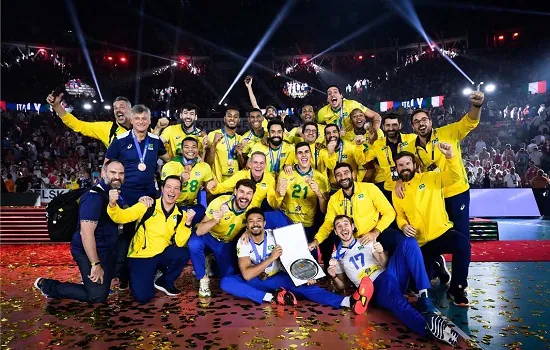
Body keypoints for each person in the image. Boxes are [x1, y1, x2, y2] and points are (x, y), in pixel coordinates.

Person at [328, 215, 458, 347]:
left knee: (409, 242)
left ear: (352, 227)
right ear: (335, 231)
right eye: (339, 226)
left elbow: (384, 264)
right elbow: (342, 286)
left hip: (389, 274)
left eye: (346, 224)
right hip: (373, 288)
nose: (343, 228)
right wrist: (333, 276)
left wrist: (379, 253)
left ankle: (424, 297)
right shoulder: (336, 256)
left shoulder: (366, 241)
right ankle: (426, 327)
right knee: (397, 301)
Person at [220, 209, 365, 313]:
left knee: (307, 288)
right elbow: (246, 275)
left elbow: (296, 255)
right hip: (256, 279)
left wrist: (306, 275)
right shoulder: (243, 241)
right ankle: (272, 297)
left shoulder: (276, 235)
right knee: (226, 282)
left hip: (278, 278)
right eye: (251, 222)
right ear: (247, 226)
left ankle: (347, 301)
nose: (255, 224)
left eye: (259, 220)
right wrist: (271, 258)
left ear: (265, 223)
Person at [34, 160, 125, 303]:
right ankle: (47, 285)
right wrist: (95, 264)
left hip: (107, 248)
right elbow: (86, 233)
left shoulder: (115, 194)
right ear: (103, 173)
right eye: (113, 172)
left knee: (103, 286)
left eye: (121, 173)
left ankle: (93, 281)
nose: (117, 176)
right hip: (88, 250)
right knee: (97, 296)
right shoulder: (93, 197)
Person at [392, 144, 471, 306]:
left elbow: (455, 176)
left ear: (414, 165)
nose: (404, 168)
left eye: (407, 164)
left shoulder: (430, 178)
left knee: (463, 244)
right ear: (397, 169)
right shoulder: (397, 191)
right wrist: (403, 226)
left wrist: (450, 157)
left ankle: (457, 288)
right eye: (400, 165)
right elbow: (400, 215)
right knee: (415, 286)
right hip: (421, 243)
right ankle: (437, 266)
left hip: (442, 232)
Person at [106, 175, 195, 303]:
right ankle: (139, 276)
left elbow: (180, 242)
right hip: (141, 256)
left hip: (162, 254)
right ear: (162, 189)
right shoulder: (147, 205)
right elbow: (121, 217)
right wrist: (112, 204)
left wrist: (188, 224)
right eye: (169, 187)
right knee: (143, 297)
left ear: (180, 192)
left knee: (182, 253)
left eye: (176, 188)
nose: (172, 191)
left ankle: (164, 281)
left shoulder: (181, 214)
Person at [309, 163, 404, 268]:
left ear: (353, 174)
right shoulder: (334, 199)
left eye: (346, 173)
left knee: (400, 241)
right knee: (339, 263)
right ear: (335, 178)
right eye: (339, 175)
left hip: (375, 233)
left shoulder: (369, 188)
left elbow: (389, 212)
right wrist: (316, 240)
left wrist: (375, 232)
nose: (343, 177)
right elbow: (328, 224)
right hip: (352, 241)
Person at [189, 179, 257, 297]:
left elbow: (257, 228)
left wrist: (248, 231)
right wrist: (215, 220)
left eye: (248, 193)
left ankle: (210, 261)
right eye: (241, 192)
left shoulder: (252, 210)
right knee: (194, 244)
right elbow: (199, 230)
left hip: (225, 244)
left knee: (227, 276)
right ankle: (203, 278)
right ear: (235, 192)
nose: (244, 196)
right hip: (209, 236)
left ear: (253, 195)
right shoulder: (220, 202)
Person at [105, 104, 170, 206]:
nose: (141, 121)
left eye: (144, 118)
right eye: (137, 118)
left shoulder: (156, 140)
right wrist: (108, 190)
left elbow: (169, 160)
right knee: (128, 221)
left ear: (149, 121)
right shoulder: (120, 140)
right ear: (131, 120)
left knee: (149, 222)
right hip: (125, 193)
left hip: (149, 193)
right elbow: (106, 166)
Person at [274, 142, 329, 249]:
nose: (303, 155)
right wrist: (280, 194)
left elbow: (324, 211)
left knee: (307, 259)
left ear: (311, 155)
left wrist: (318, 193)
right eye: (300, 153)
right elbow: (275, 205)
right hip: (286, 222)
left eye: (306, 152)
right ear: (295, 156)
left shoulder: (320, 178)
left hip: (306, 225)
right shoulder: (285, 174)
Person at [355, 112, 417, 203]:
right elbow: (362, 160)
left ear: (400, 126)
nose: (391, 128)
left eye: (394, 125)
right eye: (388, 125)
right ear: (383, 127)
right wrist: (358, 146)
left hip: (412, 185)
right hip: (390, 188)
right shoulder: (378, 144)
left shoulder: (412, 139)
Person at [161, 137, 214, 225]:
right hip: (173, 204)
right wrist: (181, 180)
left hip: (191, 206)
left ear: (197, 150)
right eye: (186, 147)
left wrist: (211, 185)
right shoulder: (170, 166)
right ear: (181, 150)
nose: (190, 149)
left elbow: (209, 189)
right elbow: (165, 191)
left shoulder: (204, 166)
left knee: (202, 212)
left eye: (194, 147)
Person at [47, 93, 132, 148]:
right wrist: (57, 107)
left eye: (122, 107)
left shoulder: (142, 126)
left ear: (131, 110)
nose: (118, 110)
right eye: (115, 108)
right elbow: (78, 125)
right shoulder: (107, 128)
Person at [207, 151, 278, 210]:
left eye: (261, 163)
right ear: (250, 164)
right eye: (255, 162)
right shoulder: (240, 175)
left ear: (265, 165)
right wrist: (214, 186)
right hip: (237, 211)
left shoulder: (269, 179)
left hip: (252, 214)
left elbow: (273, 203)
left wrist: (279, 195)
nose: (258, 166)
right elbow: (223, 187)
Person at [206, 108, 242, 183]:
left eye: (235, 117)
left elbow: (243, 165)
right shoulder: (213, 135)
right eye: (229, 116)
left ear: (239, 120)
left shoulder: (240, 139)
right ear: (224, 119)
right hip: (217, 183)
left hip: (235, 183)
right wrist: (214, 144)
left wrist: (240, 155)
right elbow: (207, 163)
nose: (232, 118)